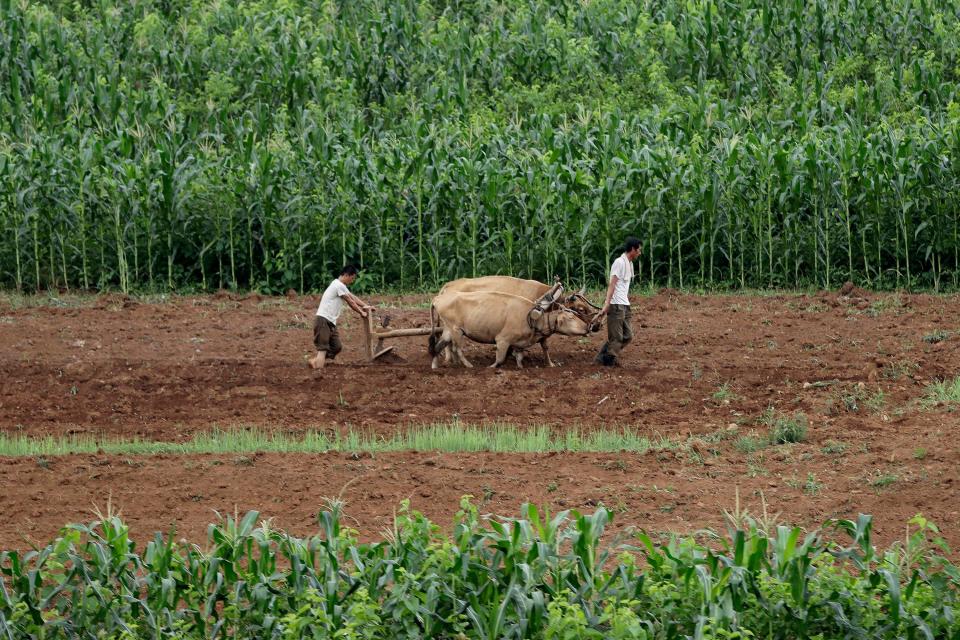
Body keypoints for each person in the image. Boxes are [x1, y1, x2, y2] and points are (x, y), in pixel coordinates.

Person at [309, 265, 374, 371]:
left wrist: (366, 306)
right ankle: (318, 372)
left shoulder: (341, 286)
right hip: (323, 320)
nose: (352, 281)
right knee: (323, 349)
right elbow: (350, 301)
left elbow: (353, 297)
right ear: (346, 275)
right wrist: (361, 313)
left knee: (336, 347)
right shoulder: (337, 285)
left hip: (331, 321)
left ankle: (315, 361)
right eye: (352, 278)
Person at [595, 237, 642, 366]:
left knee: (628, 336)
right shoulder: (619, 262)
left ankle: (603, 357)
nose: (639, 253)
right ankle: (608, 361)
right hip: (616, 304)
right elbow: (612, 284)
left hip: (625, 304)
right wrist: (607, 303)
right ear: (632, 249)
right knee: (616, 337)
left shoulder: (629, 263)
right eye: (638, 250)